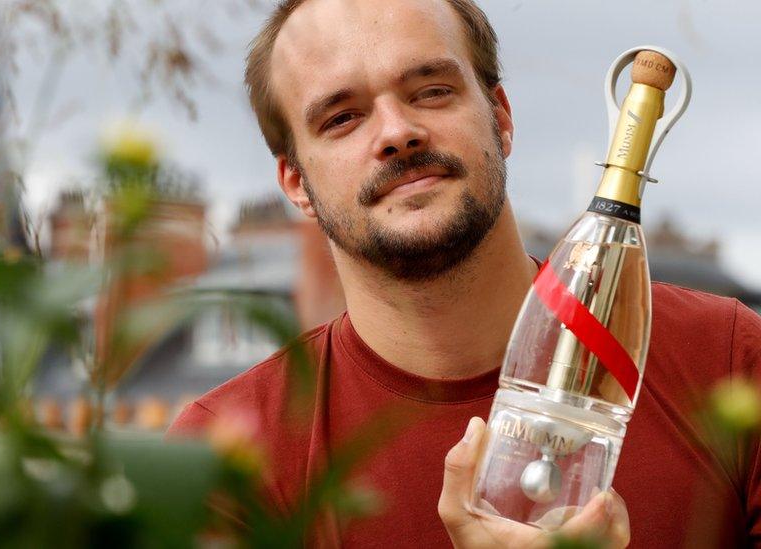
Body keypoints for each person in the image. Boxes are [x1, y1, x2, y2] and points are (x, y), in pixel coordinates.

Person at [168, 0, 761, 546]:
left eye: (430, 91)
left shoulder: (730, 362)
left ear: (501, 118)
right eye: (343, 118)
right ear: (296, 183)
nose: (397, 133)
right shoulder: (227, 457)